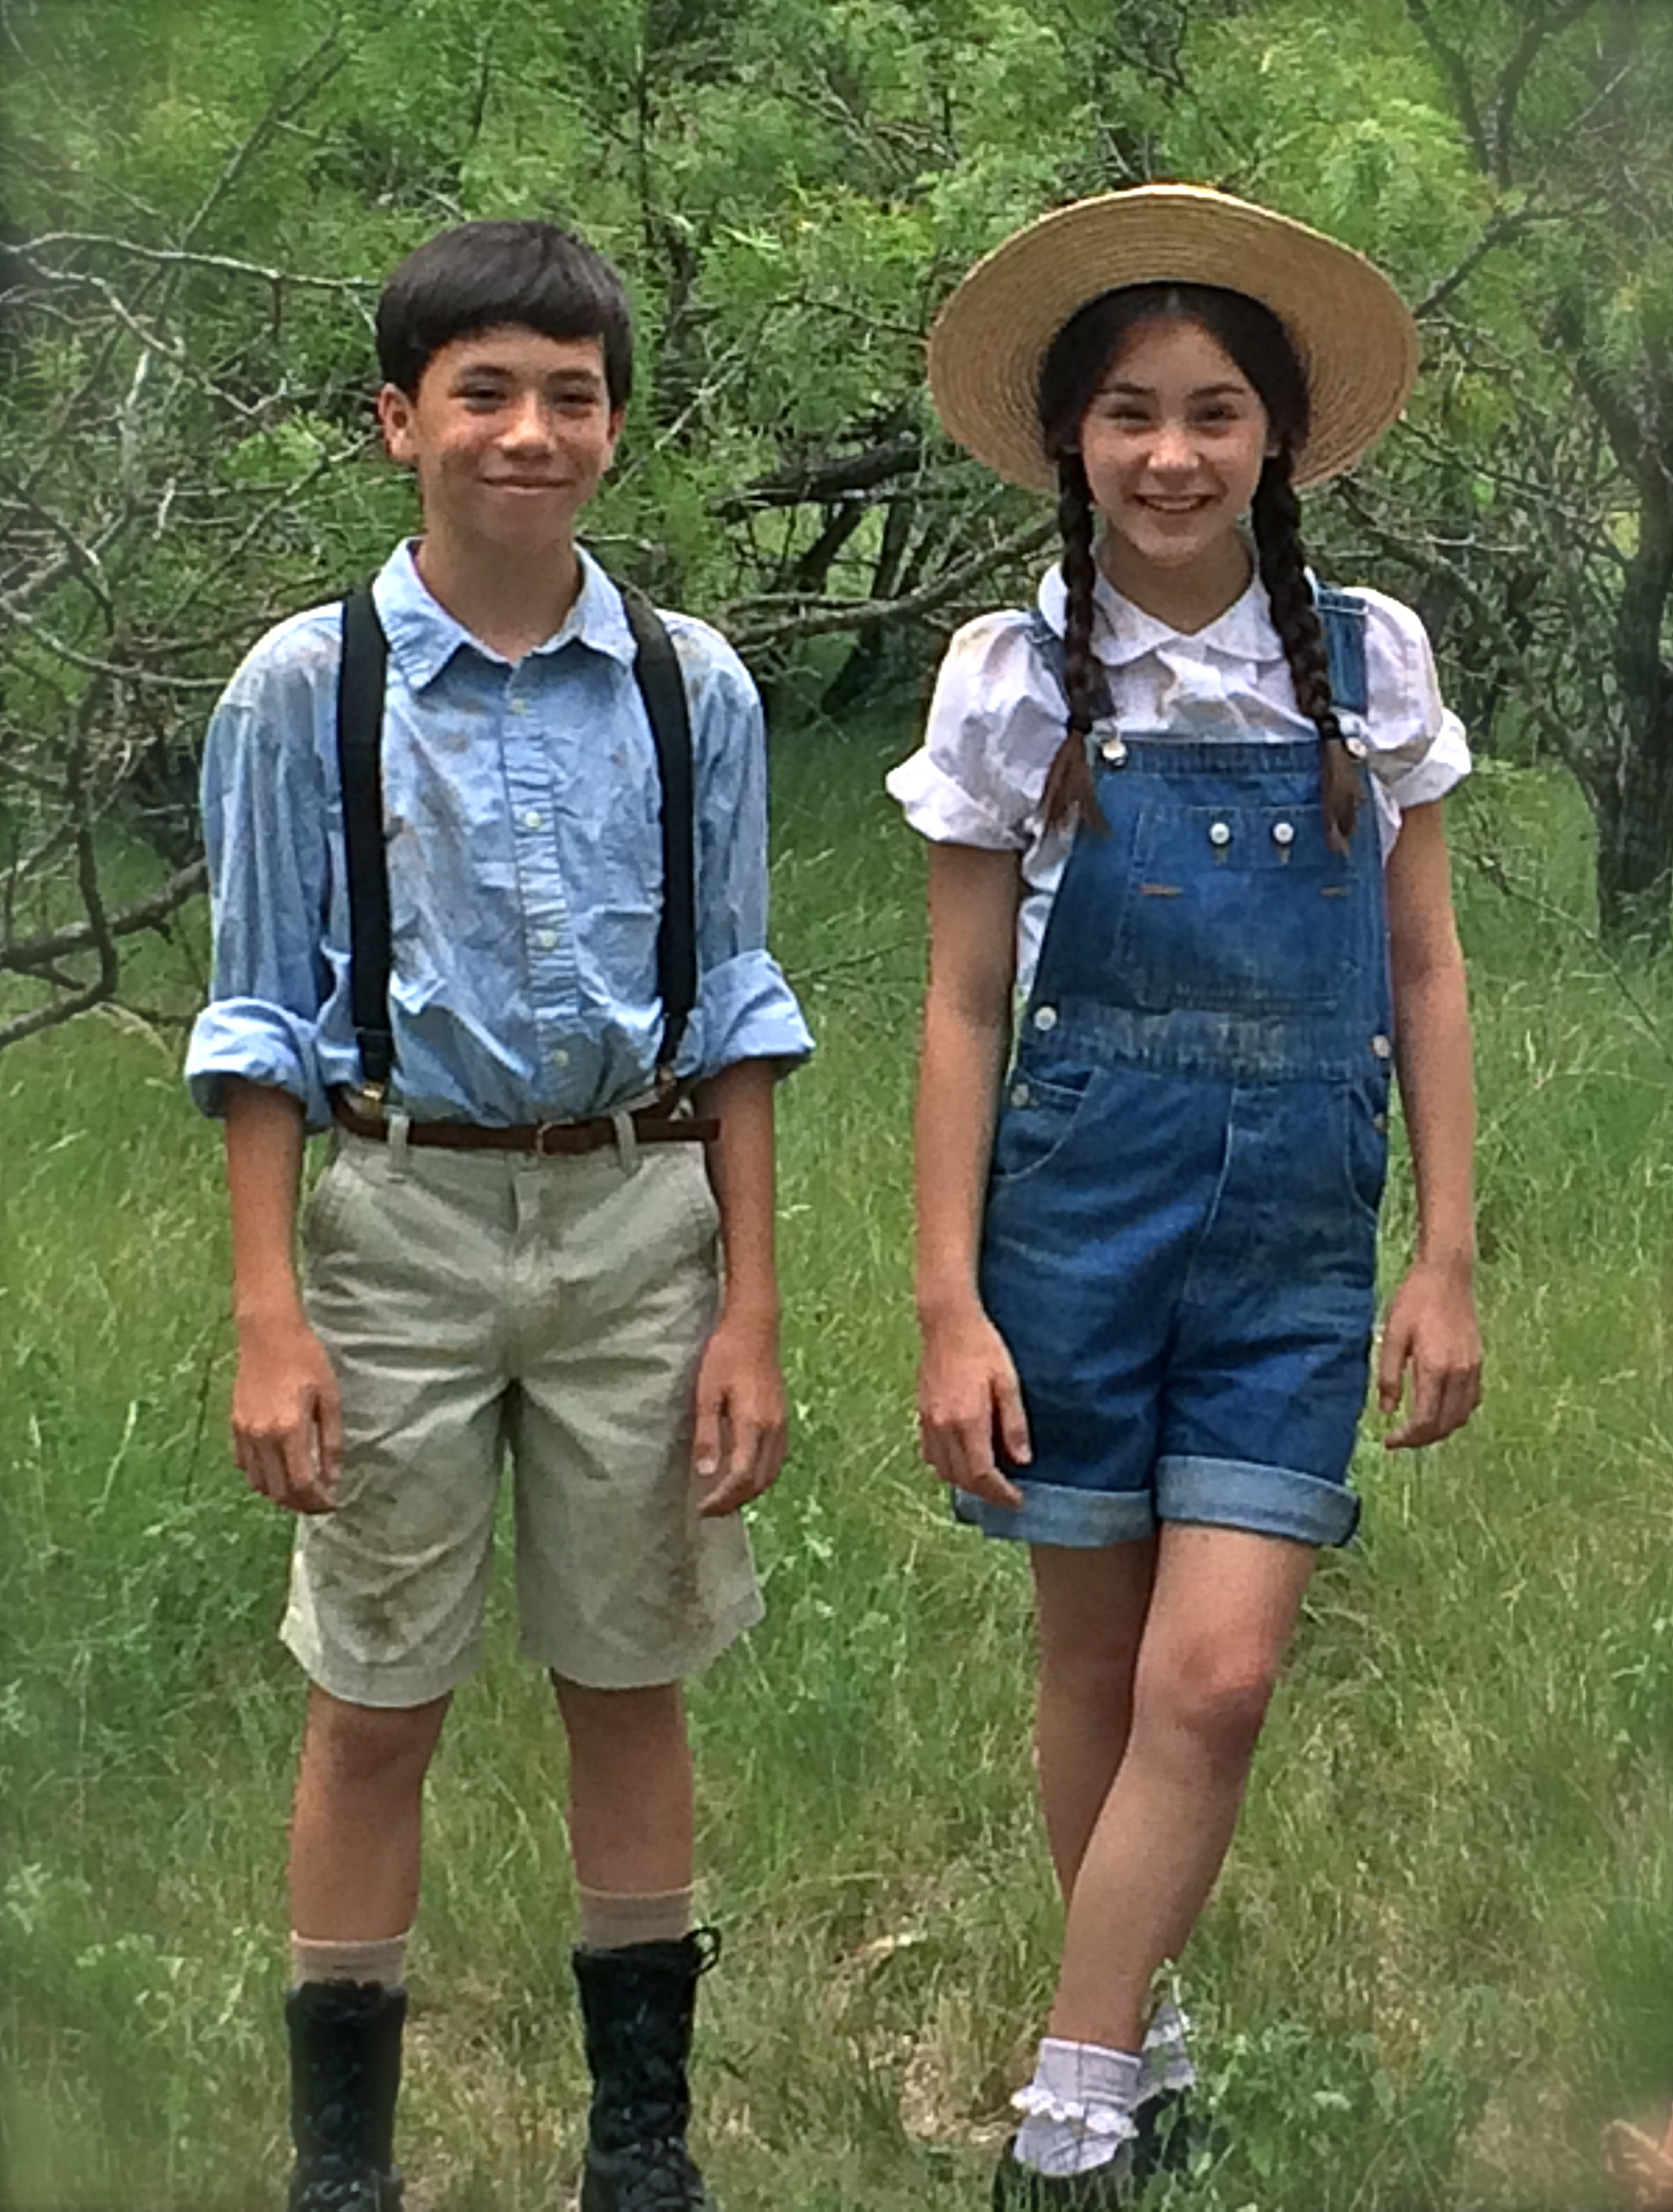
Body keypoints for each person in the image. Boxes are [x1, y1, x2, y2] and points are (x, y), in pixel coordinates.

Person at [185, 218, 811, 2212]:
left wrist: (753, 1309)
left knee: (630, 1677)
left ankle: (642, 2140)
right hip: (403, 1218)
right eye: (484, 392)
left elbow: (733, 1014)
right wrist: (270, 1312)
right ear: (400, 420)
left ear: (617, 427)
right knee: (378, 1691)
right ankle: (343, 2162)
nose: (528, 431)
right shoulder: (311, 685)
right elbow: (263, 1014)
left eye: (571, 394)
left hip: (638, 1219)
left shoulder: (688, 684)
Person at [888, 185, 1483, 2207]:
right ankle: (1142, 2041)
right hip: (1073, 1215)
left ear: (1277, 437)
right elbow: (964, 1000)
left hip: (1297, 1239)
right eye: (1129, 409)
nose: (1171, 451)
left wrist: (1450, 1249)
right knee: (1094, 1661)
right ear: (1070, 435)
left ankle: (1063, 2110)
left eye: (1215, 409)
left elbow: (1422, 967)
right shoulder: (1012, 668)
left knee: (1212, 1672)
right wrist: (946, 1298)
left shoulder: (1365, 655)